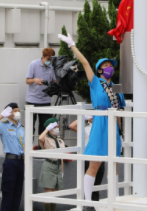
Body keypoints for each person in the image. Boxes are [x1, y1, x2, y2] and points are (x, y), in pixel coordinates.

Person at [58, 33, 125, 211]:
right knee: (94, 163)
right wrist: (72, 45)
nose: (109, 67)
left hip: (114, 125)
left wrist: (121, 133)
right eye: (106, 65)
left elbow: (120, 111)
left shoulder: (117, 87)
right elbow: (85, 63)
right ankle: (88, 203)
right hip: (100, 123)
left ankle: (115, 199)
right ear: (100, 70)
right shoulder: (95, 82)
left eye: (111, 64)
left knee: (114, 164)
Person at [0, 103, 25, 211]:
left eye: (18, 110)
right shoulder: (4, 126)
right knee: (8, 191)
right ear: (9, 113)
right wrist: (1, 116)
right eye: (14, 110)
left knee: (18, 192)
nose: (17, 112)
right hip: (11, 161)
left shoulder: (22, 127)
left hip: (21, 161)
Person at [69, 115, 106, 201]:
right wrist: (83, 117)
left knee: (97, 184)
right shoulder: (86, 128)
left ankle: (95, 204)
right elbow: (72, 126)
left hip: (100, 156)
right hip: (89, 157)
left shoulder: (102, 126)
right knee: (87, 184)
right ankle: (87, 204)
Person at [26, 47, 56, 137]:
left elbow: (55, 81)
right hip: (32, 100)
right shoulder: (33, 64)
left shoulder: (52, 67)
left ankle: (42, 148)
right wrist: (35, 80)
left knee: (45, 127)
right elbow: (27, 80)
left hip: (46, 100)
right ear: (43, 57)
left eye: (51, 59)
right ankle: (28, 148)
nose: (49, 61)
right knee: (30, 127)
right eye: (48, 59)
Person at [37, 118, 65, 211]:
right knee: (49, 193)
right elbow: (40, 138)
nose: (57, 129)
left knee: (55, 194)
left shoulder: (60, 140)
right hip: (49, 165)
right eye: (55, 127)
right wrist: (47, 129)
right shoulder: (46, 139)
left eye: (57, 127)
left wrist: (62, 171)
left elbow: (62, 156)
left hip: (58, 167)